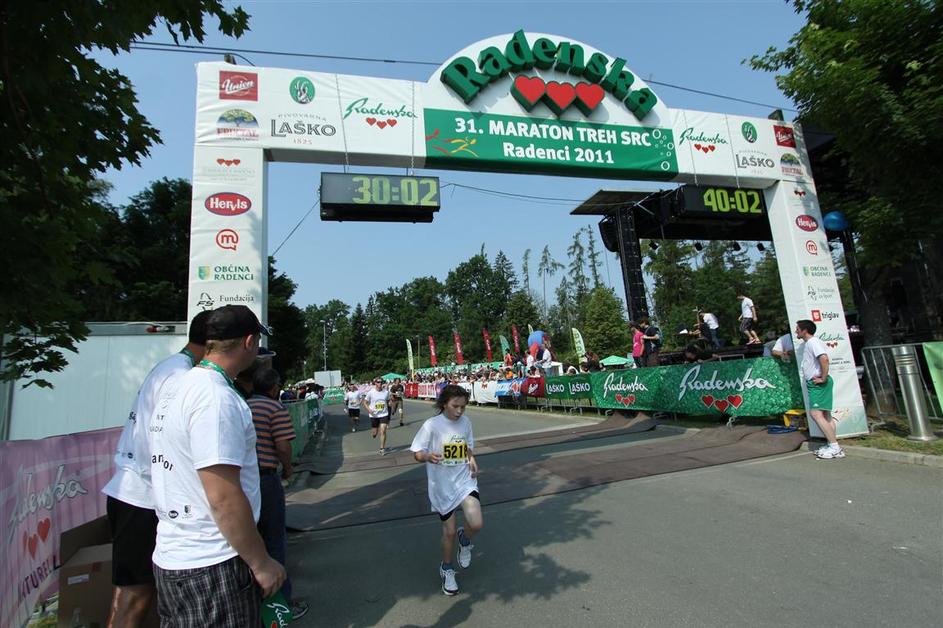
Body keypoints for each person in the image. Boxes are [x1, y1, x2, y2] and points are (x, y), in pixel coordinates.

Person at [149, 305, 286, 626]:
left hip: (176, 554)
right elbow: (222, 496)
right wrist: (261, 562)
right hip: (214, 561)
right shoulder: (216, 398)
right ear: (249, 342)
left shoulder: (178, 386)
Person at [102, 310, 212, 628]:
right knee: (135, 597)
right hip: (142, 494)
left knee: (131, 594)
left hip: (135, 490)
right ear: (211, 343)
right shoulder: (180, 375)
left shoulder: (171, 367)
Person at [409, 385, 482, 597]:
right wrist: (427, 456)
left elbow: (467, 446)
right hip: (442, 485)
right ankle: (447, 568)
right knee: (448, 532)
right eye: (455, 406)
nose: (459, 411)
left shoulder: (466, 422)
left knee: (476, 523)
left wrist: (471, 458)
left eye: (463, 407)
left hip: (464, 480)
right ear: (444, 404)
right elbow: (416, 453)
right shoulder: (431, 425)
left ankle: (465, 540)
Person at [248, 367, 308, 620]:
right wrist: (288, 469)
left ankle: (254, 602)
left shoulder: (243, 404)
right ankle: (282, 604)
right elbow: (283, 447)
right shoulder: (275, 408)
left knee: (252, 539)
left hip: (242, 480)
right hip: (265, 477)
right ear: (274, 388)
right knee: (275, 540)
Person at [796, 319, 844, 459]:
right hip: (816, 383)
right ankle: (833, 445)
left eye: (797, 329)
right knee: (826, 415)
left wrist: (823, 378)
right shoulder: (810, 343)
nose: (796, 331)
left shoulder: (813, 342)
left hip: (818, 384)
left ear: (805, 330)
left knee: (816, 414)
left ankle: (835, 447)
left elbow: (824, 359)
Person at [363, 378, 392, 454]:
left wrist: (390, 403)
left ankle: (382, 448)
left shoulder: (386, 392)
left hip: (384, 414)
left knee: (383, 430)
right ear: (375, 383)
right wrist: (369, 410)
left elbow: (388, 400)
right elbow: (365, 402)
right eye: (378, 382)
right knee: (375, 433)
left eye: (381, 382)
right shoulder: (371, 392)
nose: (380, 383)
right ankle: (374, 433)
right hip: (374, 415)